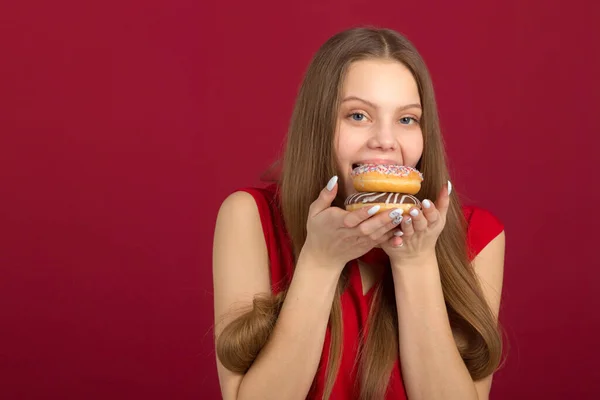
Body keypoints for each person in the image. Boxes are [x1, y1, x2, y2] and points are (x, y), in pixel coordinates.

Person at [212, 26, 506, 400]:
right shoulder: (250, 218)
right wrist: (319, 262)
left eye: (406, 119)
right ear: (319, 126)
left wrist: (415, 263)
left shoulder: (477, 235)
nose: (385, 139)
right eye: (358, 115)